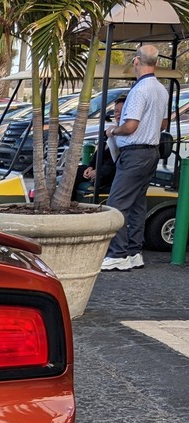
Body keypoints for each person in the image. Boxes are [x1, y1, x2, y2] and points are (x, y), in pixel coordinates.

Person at [100, 45, 168, 271]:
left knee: (117, 204)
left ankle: (117, 253)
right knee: (137, 204)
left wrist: (113, 131)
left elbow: (130, 126)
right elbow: (163, 123)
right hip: (151, 151)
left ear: (137, 61)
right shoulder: (160, 89)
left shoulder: (139, 90)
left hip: (135, 152)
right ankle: (134, 251)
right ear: (156, 62)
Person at [72, 94, 125, 199]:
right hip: (100, 167)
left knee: (102, 175)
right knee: (77, 171)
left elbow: (114, 159)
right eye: (116, 111)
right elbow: (99, 153)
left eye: (122, 111)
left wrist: (98, 171)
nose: (118, 114)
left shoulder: (127, 134)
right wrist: (90, 167)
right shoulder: (110, 131)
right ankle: (70, 202)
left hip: (113, 170)